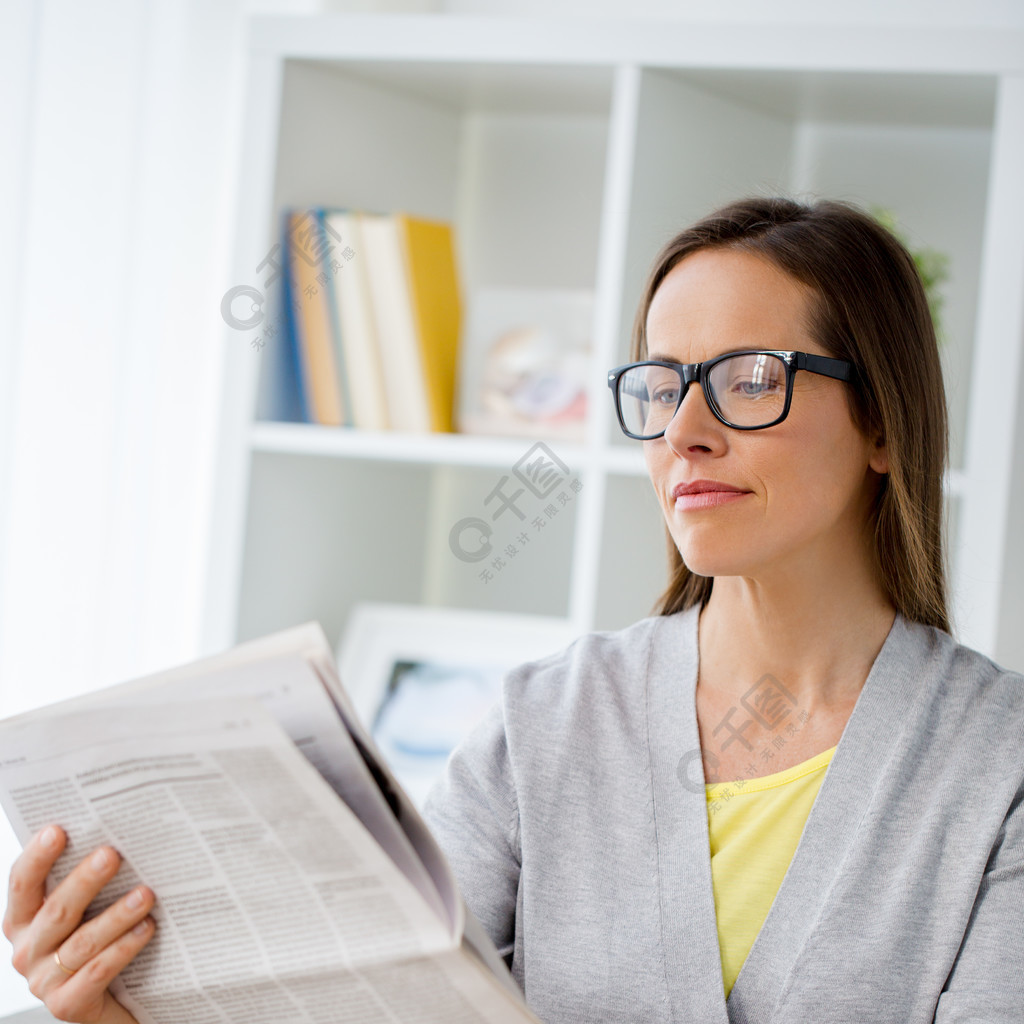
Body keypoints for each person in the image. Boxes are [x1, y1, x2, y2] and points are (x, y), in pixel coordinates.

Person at [5, 197, 1023, 1024]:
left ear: (882, 422)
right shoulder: (549, 720)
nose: (687, 431)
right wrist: (116, 1014)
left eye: (750, 380)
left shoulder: (998, 770)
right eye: (661, 385)